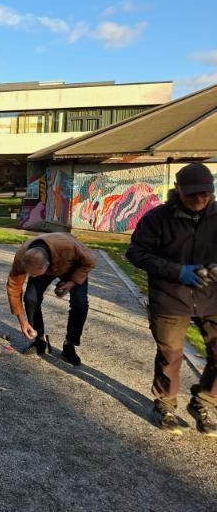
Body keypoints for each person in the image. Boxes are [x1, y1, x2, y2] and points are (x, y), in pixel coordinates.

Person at [126, 162, 217, 436]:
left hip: (212, 296)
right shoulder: (158, 218)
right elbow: (135, 253)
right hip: (170, 297)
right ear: (178, 190)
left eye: (205, 193)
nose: (200, 200)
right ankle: (165, 404)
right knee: (171, 354)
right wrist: (177, 271)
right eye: (192, 195)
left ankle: (204, 401)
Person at [7, 232, 96, 366]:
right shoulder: (22, 256)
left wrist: (72, 281)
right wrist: (22, 321)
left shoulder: (69, 246)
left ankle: (69, 345)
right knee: (31, 298)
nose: (31, 277)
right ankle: (39, 341)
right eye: (29, 273)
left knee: (80, 303)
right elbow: (13, 287)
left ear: (47, 265)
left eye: (34, 274)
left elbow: (90, 262)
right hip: (43, 264)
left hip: (72, 266)